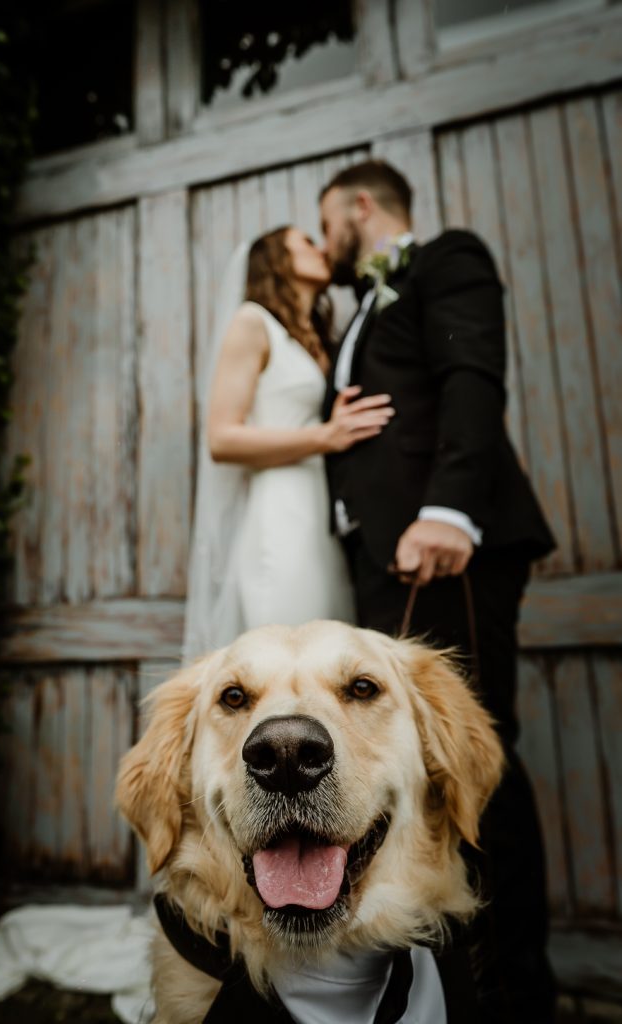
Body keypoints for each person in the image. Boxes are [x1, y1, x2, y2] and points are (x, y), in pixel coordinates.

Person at [319, 160, 557, 1023]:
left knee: (470, 754)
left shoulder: (443, 256)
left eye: (328, 223)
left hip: (444, 548)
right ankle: (444, 985)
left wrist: (449, 509)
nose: (327, 243)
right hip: (386, 562)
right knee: (410, 766)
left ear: (359, 205)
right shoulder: (358, 307)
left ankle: (515, 992)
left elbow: (471, 377)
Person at [182, 225, 393, 662]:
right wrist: (325, 436)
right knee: (286, 656)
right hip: (280, 514)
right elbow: (221, 438)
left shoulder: (312, 333)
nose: (321, 249)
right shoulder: (252, 322)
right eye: (306, 242)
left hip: (322, 514)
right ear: (276, 260)